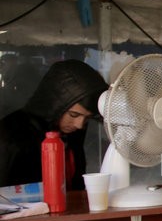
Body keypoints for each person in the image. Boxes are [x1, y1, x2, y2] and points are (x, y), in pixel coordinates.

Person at [0, 59, 107, 189]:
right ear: (54, 104)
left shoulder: (71, 132)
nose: (79, 124)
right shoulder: (11, 134)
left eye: (87, 117)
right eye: (73, 115)